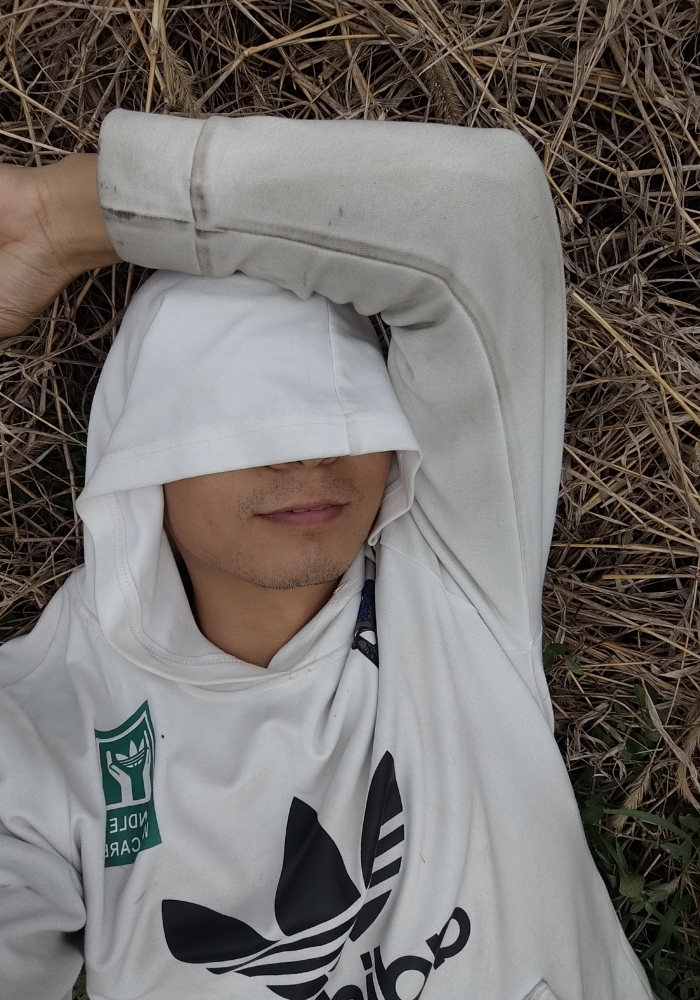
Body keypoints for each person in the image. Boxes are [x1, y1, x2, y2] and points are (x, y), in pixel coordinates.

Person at [0, 112, 654, 1000]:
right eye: (242, 420)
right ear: (140, 451)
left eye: (343, 409)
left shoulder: (452, 576)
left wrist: (59, 214)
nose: (309, 458)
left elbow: (482, 206)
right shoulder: (46, 723)